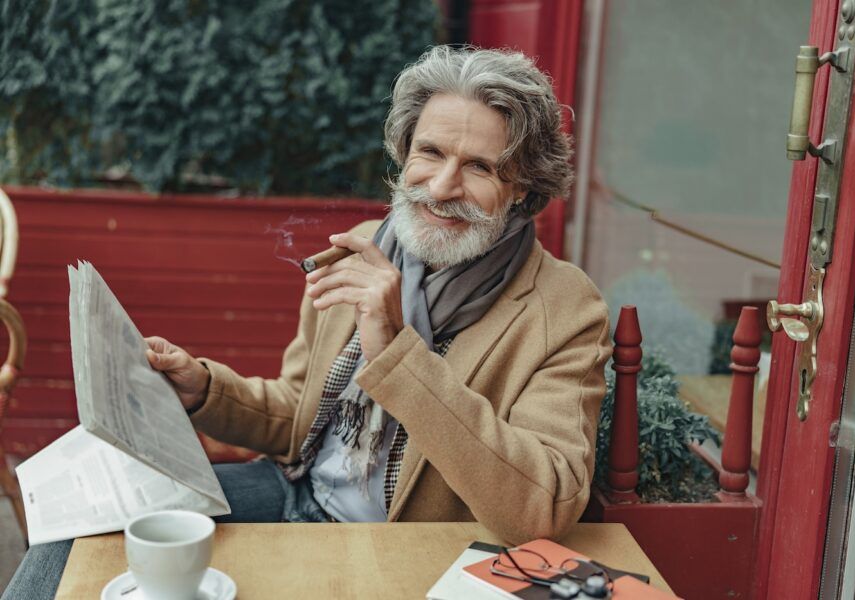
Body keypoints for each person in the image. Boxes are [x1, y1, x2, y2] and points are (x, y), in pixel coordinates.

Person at [3, 45, 611, 599]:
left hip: (411, 548)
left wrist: (397, 352)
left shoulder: (564, 309)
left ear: (524, 190)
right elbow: (301, 413)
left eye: (479, 167)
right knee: (77, 532)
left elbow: (543, 506)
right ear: (403, 154)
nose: (443, 186)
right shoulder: (361, 252)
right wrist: (204, 389)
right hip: (296, 493)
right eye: (429, 152)